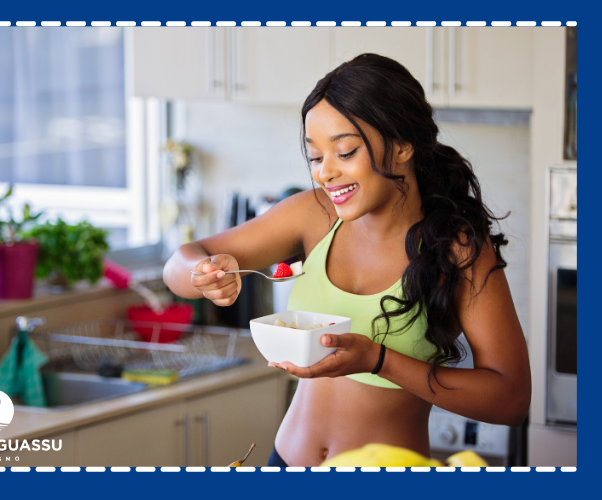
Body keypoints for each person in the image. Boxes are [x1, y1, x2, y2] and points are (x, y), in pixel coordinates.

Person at [163, 53, 531, 467]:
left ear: (402, 145)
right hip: (286, 462)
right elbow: (179, 263)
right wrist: (201, 274)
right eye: (316, 157)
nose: (324, 174)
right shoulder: (312, 214)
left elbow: (511, 399)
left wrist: (378, 360)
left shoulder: (456, 248)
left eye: (345, 151)